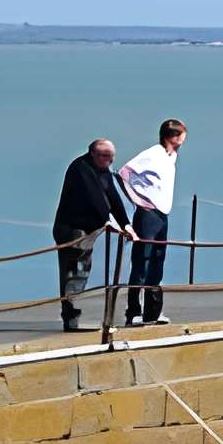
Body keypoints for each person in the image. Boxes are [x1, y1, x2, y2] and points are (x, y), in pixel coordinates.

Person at [116, 118, 186, 325]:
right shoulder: (153, 153)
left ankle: (153, 312)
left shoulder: (170, 156)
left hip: (162, 215)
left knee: (157, 262)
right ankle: (134, 312)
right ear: (173, 136)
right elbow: (124, 173)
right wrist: (138, 200)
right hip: (148, 214)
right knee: (142, 263)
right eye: (182, 135)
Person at [50, 139, 127, 326]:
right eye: (105, 157)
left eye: (111, 158)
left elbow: (112, 196)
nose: (109, 162)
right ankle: (71, 316)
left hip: (91, 227)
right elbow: (93, 197)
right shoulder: (80, 168)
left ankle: (79, 313)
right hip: (72, 228)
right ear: (93, 154)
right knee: (73, 271)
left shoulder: (103, 169)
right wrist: (108, 221)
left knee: (83, 269)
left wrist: (126, 223)